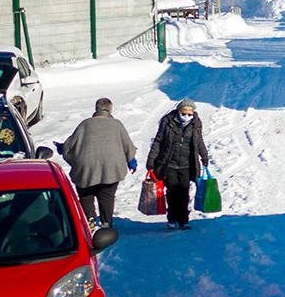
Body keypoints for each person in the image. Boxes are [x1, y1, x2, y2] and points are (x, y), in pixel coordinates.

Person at [60, 97, 137, 228]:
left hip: (86, 168)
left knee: (86, 194)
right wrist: (131, 161)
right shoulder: (117, 124)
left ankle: (89, 220)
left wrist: (70, 157)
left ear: (96, 109)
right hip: (111, 169)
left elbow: (68, 147)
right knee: (107, 196)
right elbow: (128, 146)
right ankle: (106, 223)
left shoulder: (85, 124)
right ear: (110, 109)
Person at [147, 98, 212, 230]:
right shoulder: (168, 122)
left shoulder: (195, 124)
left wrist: (204, 156)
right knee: (172, 192)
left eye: (189, 114)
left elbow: (199, 141)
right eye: (184, 113)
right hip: (169, 163)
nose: (186, 116)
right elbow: (158, 141)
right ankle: (172, 219)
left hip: (187, 165)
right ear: (178, 111)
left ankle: (183, 220)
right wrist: (151, 160)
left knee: (183, 192)